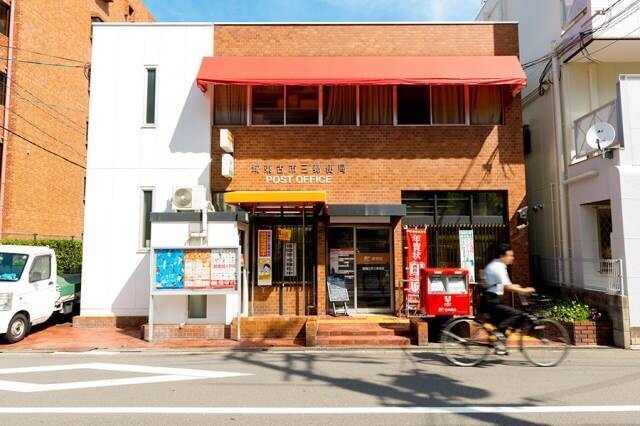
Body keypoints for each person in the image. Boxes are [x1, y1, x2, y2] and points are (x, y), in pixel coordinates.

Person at [481, 243, 535, 354]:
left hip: (493, 299)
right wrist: (524, 290)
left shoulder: (499, 265)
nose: (512, 258)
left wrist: (518, 287)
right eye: (510, 255)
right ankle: (498, 336)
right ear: (502, 256)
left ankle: (500, 343)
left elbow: (506, 285)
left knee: (508, 320)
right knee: (517, 314)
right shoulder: (498, 267)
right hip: (491, 300)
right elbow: (507, 286)